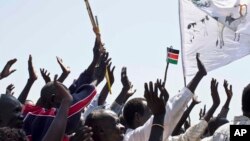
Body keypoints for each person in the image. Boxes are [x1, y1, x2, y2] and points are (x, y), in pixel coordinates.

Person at [123, 53, 207, 141]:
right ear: (138, 117)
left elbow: (185, 138)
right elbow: (168, 115)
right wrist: (198, 76)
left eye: (154, 112)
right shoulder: (132, 137)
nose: (154, 114)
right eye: (151, 112)